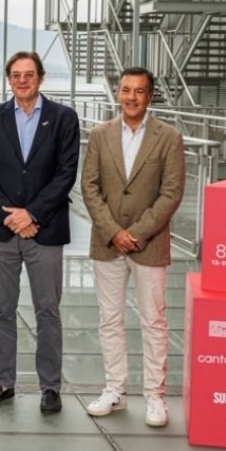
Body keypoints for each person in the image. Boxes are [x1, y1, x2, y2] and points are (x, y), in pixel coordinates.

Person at [0, 51, 80, 413]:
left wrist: (32, 213)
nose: (22, 80)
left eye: (29, 74)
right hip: (3, 231)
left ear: (40, 78)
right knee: (2, 310)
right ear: (9, 79)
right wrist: (12, 216)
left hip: (44, 230)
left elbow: (66, 173)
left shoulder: (63, 118)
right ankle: (5, 382)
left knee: (47, 310)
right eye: (16, 74)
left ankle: (50, 386)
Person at [80, 67, 185, 427]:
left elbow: (171, 193)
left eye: (139, 91)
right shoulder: (99, 134)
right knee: (110, 320)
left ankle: (155, 397)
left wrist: (136, 233)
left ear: (150, 95)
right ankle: (115, 390)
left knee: (153, 321)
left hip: (149, 243)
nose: (131, 97)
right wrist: (113, 231)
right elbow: (89, 188)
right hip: (107, 243)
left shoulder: (168, 137)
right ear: (117, 92)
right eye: (126, 90)